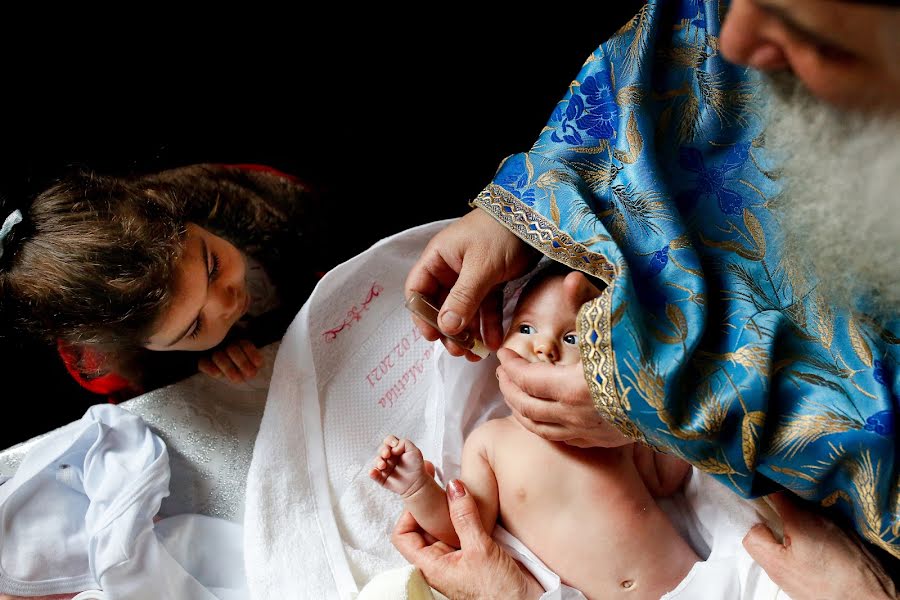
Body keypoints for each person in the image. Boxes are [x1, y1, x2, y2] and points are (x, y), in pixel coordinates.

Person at [401, 0, 899, 597]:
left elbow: (671, 477)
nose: (734, 44)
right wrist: (528, 209)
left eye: (807, 32)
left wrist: (656, 403)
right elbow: (462, 522)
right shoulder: (491, 444)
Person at [375, 268, 718, 599]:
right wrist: (417, 486)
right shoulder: (490, 442)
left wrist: (647, 412)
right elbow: (464, 529)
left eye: (572, 338)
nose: (544, 346)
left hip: (702, 584)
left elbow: (668, 478)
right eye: (526, 328)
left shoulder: (610, 432)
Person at [0, 163, 323, 400]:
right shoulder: (140, 371)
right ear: (140, 348)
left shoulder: (265, 200)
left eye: (213, 267)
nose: (228, 302)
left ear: (185, 217)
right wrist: (205, 364)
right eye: (194, 326)